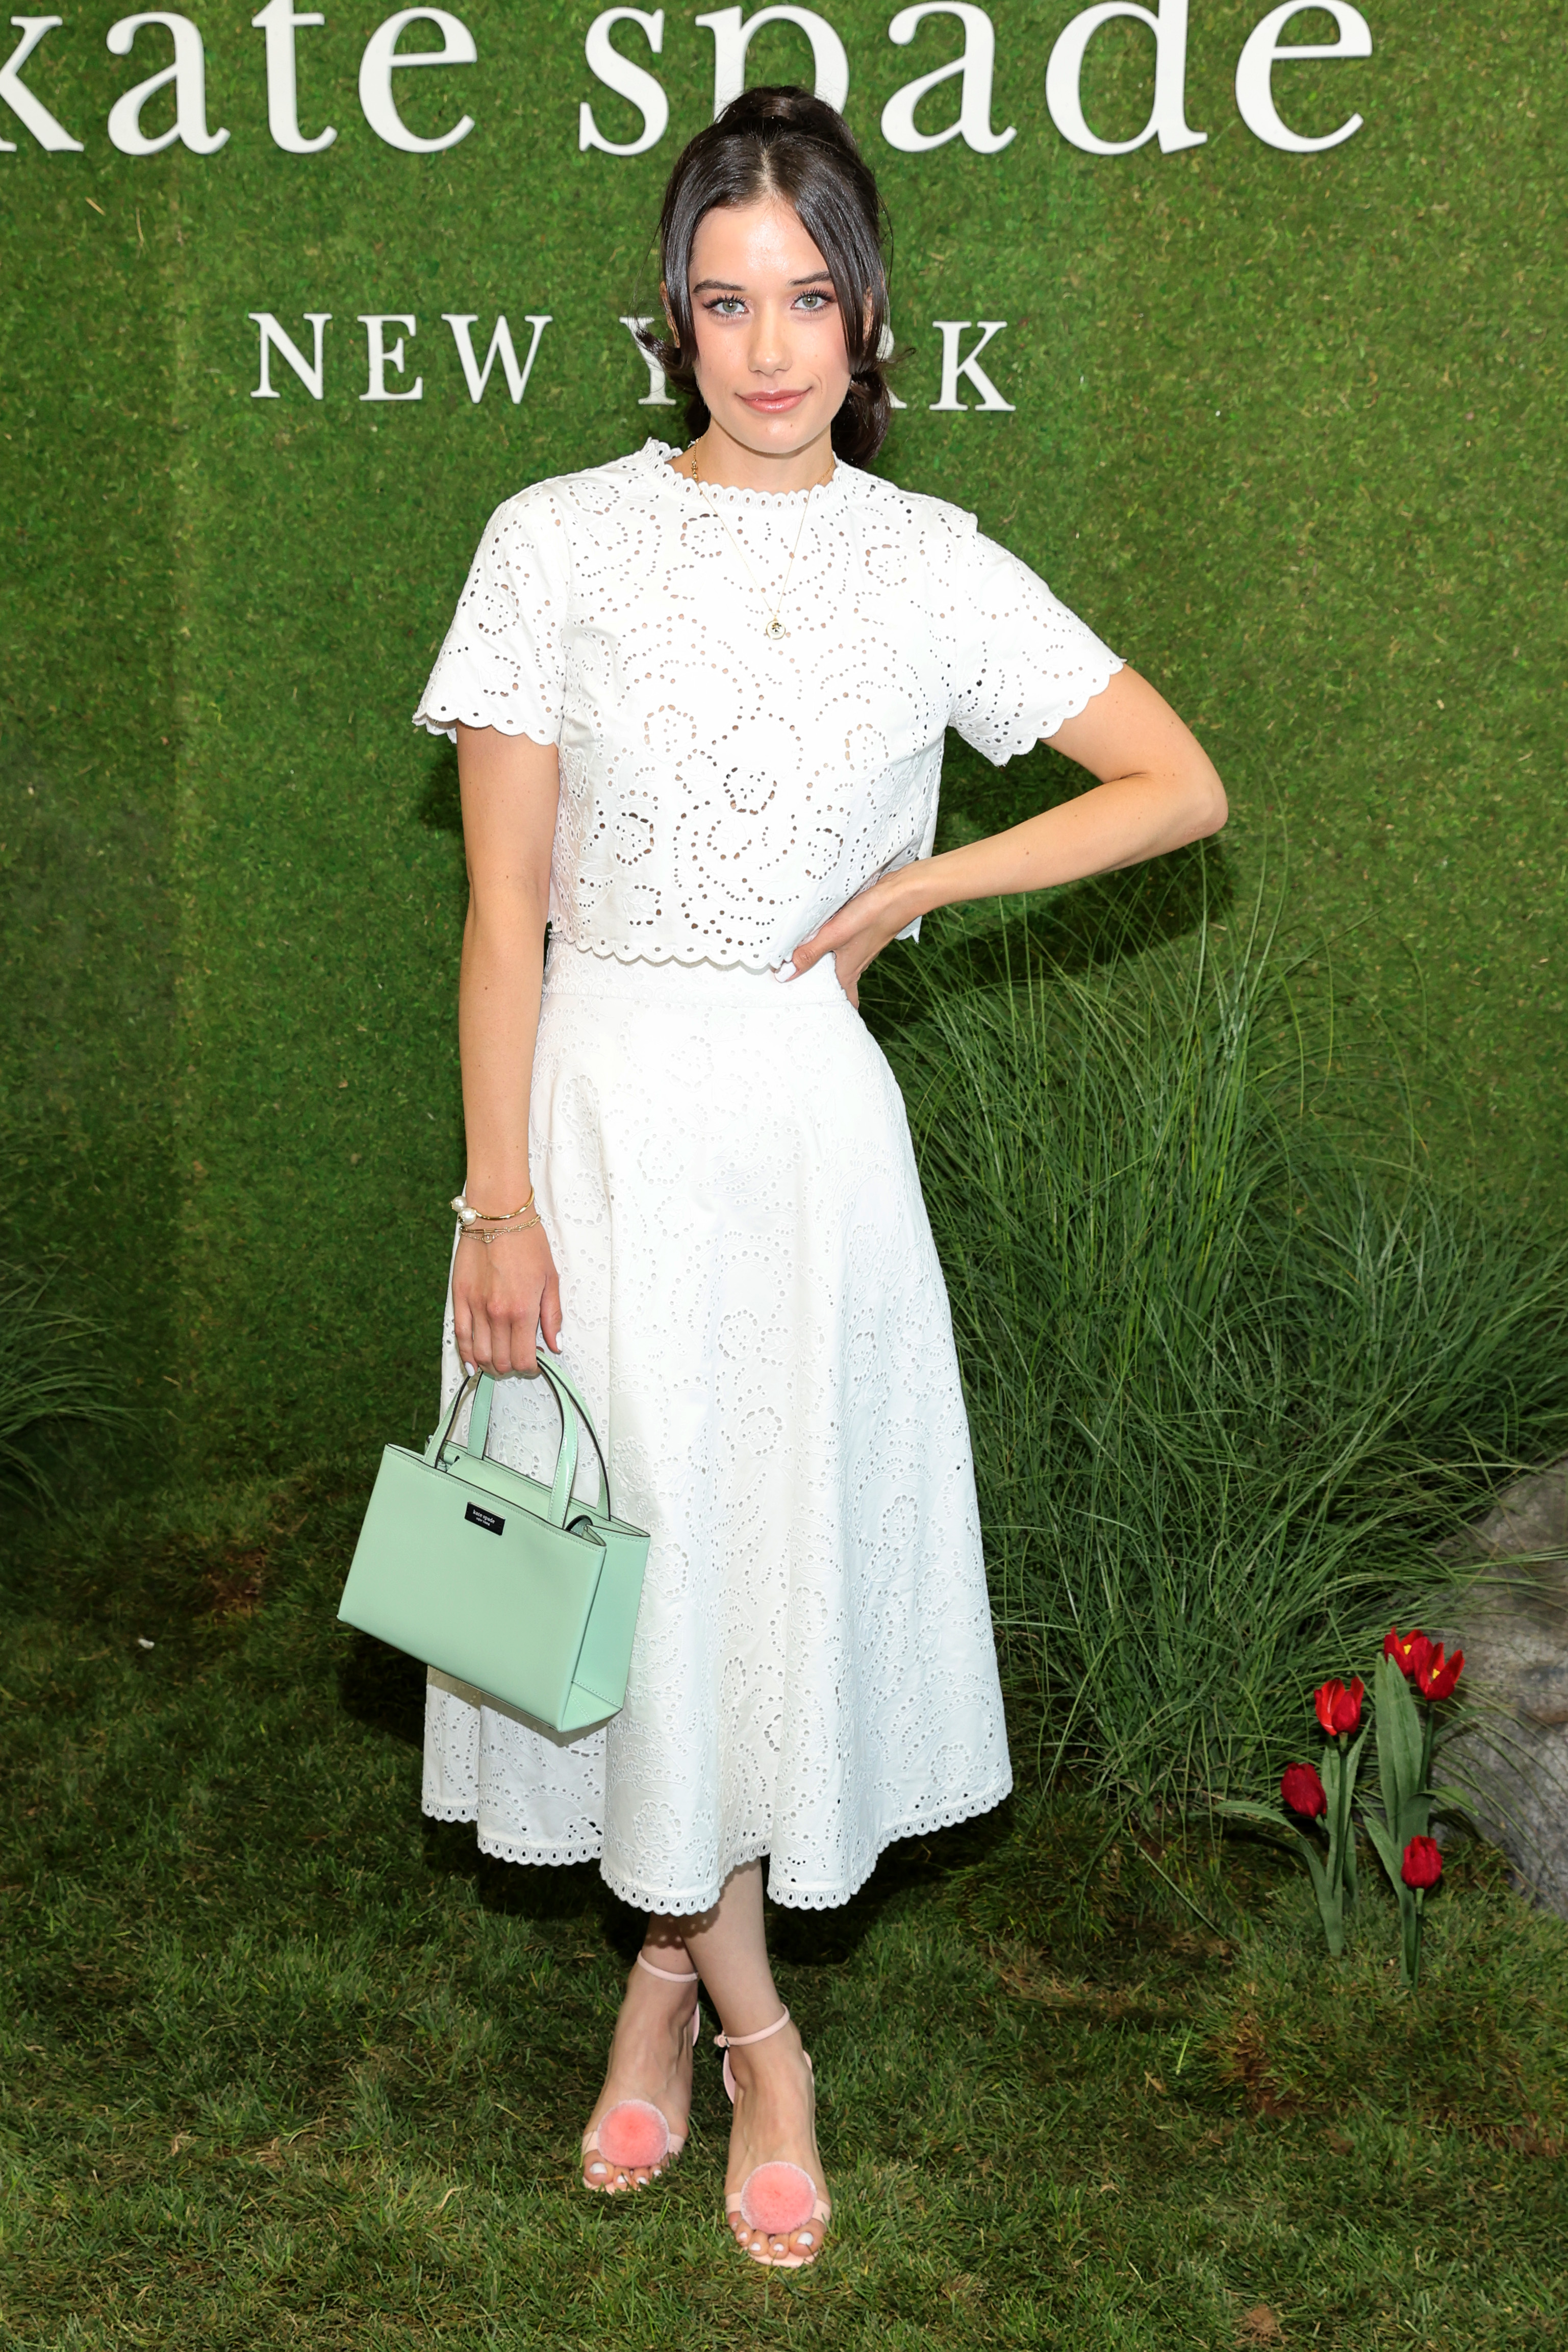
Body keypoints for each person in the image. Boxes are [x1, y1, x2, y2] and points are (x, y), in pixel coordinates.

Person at [411, 85, 1225, 2268]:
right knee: (628, 1561)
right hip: (588, 1128)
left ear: (867, 313)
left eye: (803, 297)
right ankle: (757, 2029)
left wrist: (913, 886)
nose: (765, 347)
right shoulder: (552, 540)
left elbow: (1173, 783)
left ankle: (667, 1980)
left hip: (803, 1142)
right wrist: (499, 1199)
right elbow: (504, 913)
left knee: (751, 1579)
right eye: (720, 302)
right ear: (672, 322)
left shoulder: (927, 562)